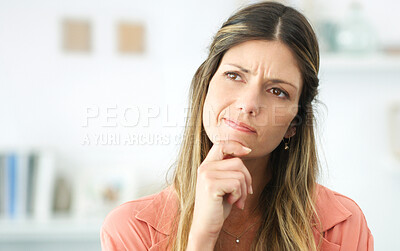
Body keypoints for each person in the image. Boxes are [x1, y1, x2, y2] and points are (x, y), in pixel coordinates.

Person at [100, 1, 374, 250]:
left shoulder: (342, 228)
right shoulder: (129, 231)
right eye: (234, 75)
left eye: (277, 91)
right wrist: (201, 237)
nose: (248, 103)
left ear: (294, 122)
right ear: (205, 86)